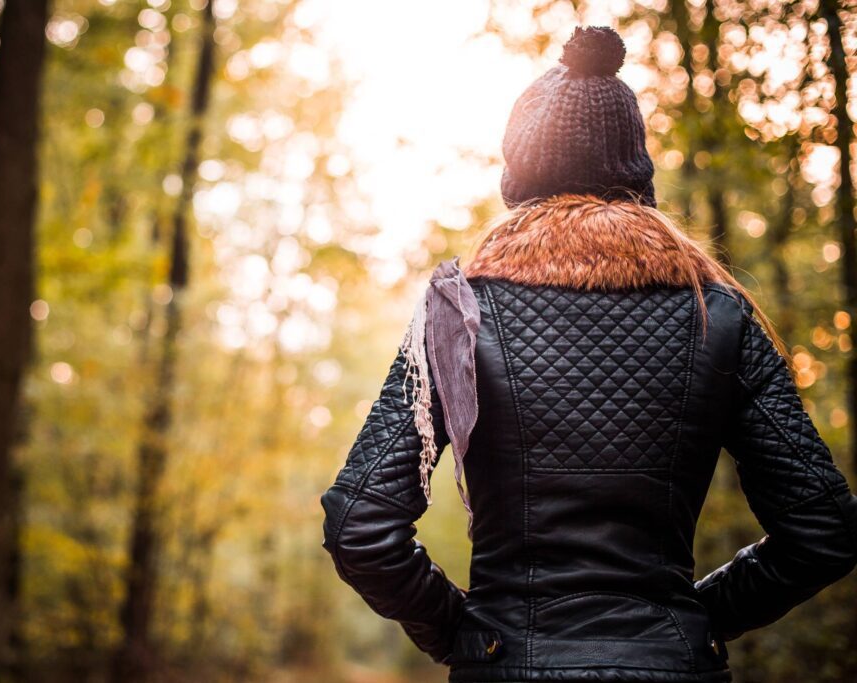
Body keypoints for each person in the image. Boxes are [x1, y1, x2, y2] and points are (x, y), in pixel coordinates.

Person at [318, 25, 857, 683]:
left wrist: (465, 634)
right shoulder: (717, 311)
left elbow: (358, 525)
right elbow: (824, 530)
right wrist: (686, 627)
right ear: (635, 168)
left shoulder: (457, 310)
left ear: (517, 174)